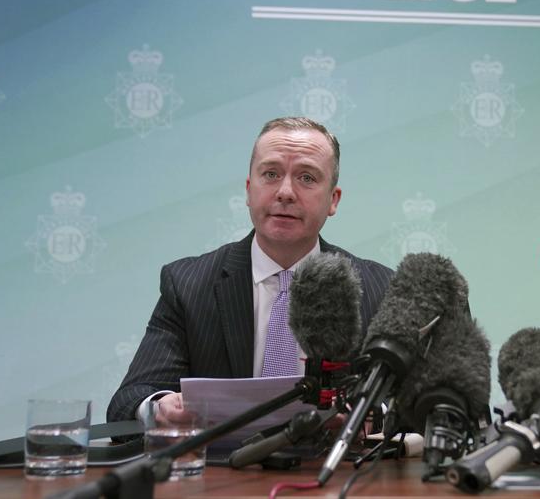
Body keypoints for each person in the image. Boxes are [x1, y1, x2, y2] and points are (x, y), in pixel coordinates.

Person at [108, 117, 393, 426]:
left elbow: (416, 402)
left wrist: (372, 416)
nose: (285, 192)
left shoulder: (378, 289)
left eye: (307, 178)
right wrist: (160, 407)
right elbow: (130, 399)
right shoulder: (189, 285)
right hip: (221, 469)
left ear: (333, 200)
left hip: (334, 470)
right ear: (248, 190)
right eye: (270, 174)